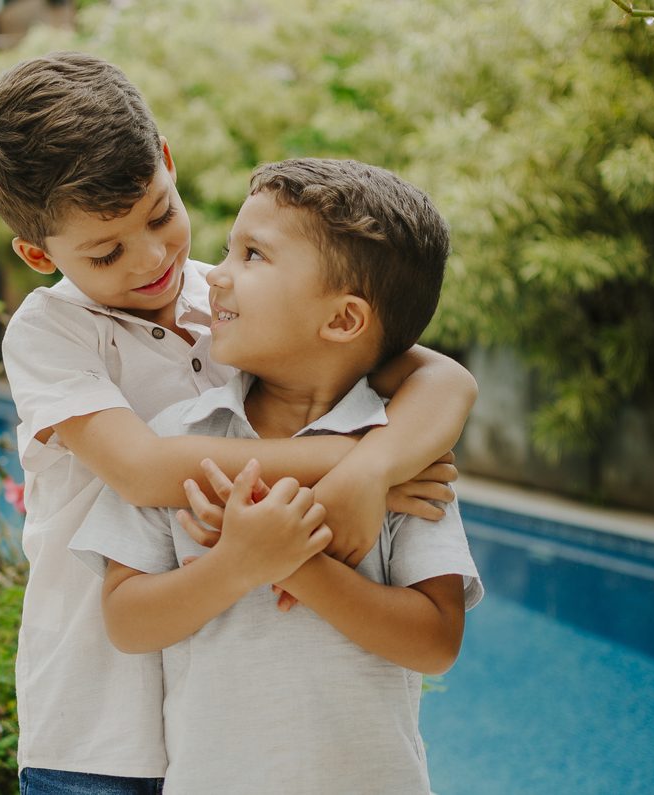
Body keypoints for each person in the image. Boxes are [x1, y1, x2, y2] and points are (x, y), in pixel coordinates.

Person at [0, 52, 478, 795]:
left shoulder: (238, 299)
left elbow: (442, 379)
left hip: (217, 723)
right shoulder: (52, 332)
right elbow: (144, 469)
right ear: (39, 254)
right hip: (95, 722)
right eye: (107, 252)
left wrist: (371, 472)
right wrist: (351, 465)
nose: (153, 259)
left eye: (161, 213)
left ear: (167, 163)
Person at [70, 158, 484, 794]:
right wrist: (237, 564)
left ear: (343, 319)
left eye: (252, 255)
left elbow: (435, 641)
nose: (218, 277)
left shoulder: (401, 456)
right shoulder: (183, 436)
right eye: (228, 250)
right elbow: (126, 622)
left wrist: (296, 566)